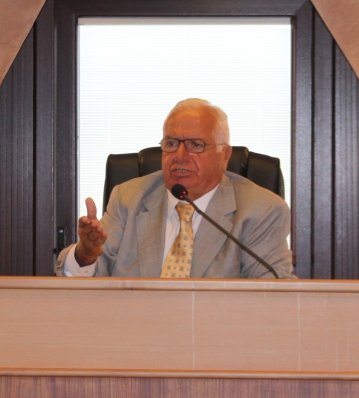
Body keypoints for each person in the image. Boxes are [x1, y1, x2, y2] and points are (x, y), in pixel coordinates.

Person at [56, 99, 295, 279]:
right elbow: (89, 282)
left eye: (195, 145)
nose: (179, 156)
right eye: (170, 143)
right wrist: (86, 255)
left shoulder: (262, 211)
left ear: (225, 155)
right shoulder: (128, 199)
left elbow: (275, 295)